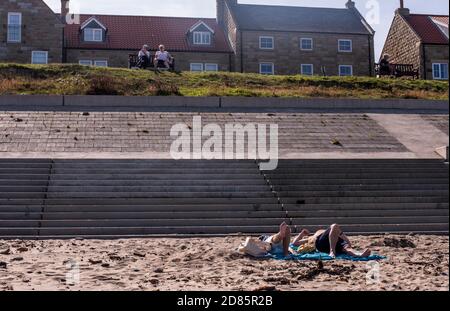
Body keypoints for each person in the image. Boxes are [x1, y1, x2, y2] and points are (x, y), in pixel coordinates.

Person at [292, 224, 372, 258]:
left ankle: (359, 255)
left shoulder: (331, 233)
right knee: (334, 226)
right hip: (321, 244)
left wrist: (347, 242)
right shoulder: (312, 237)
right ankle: (332, 251)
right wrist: (301, 234)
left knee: (346, 248)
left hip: (335, 241)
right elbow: (294, 243)